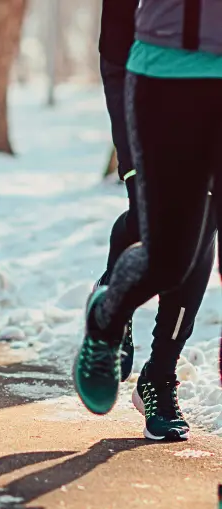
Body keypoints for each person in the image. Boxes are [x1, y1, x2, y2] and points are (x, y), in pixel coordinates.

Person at [75, 0, 222, 429]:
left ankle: (161, 374)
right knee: (169, 256)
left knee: (200, 230)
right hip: (166, 78)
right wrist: (127, 141)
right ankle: (107, 318)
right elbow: (116, 31)